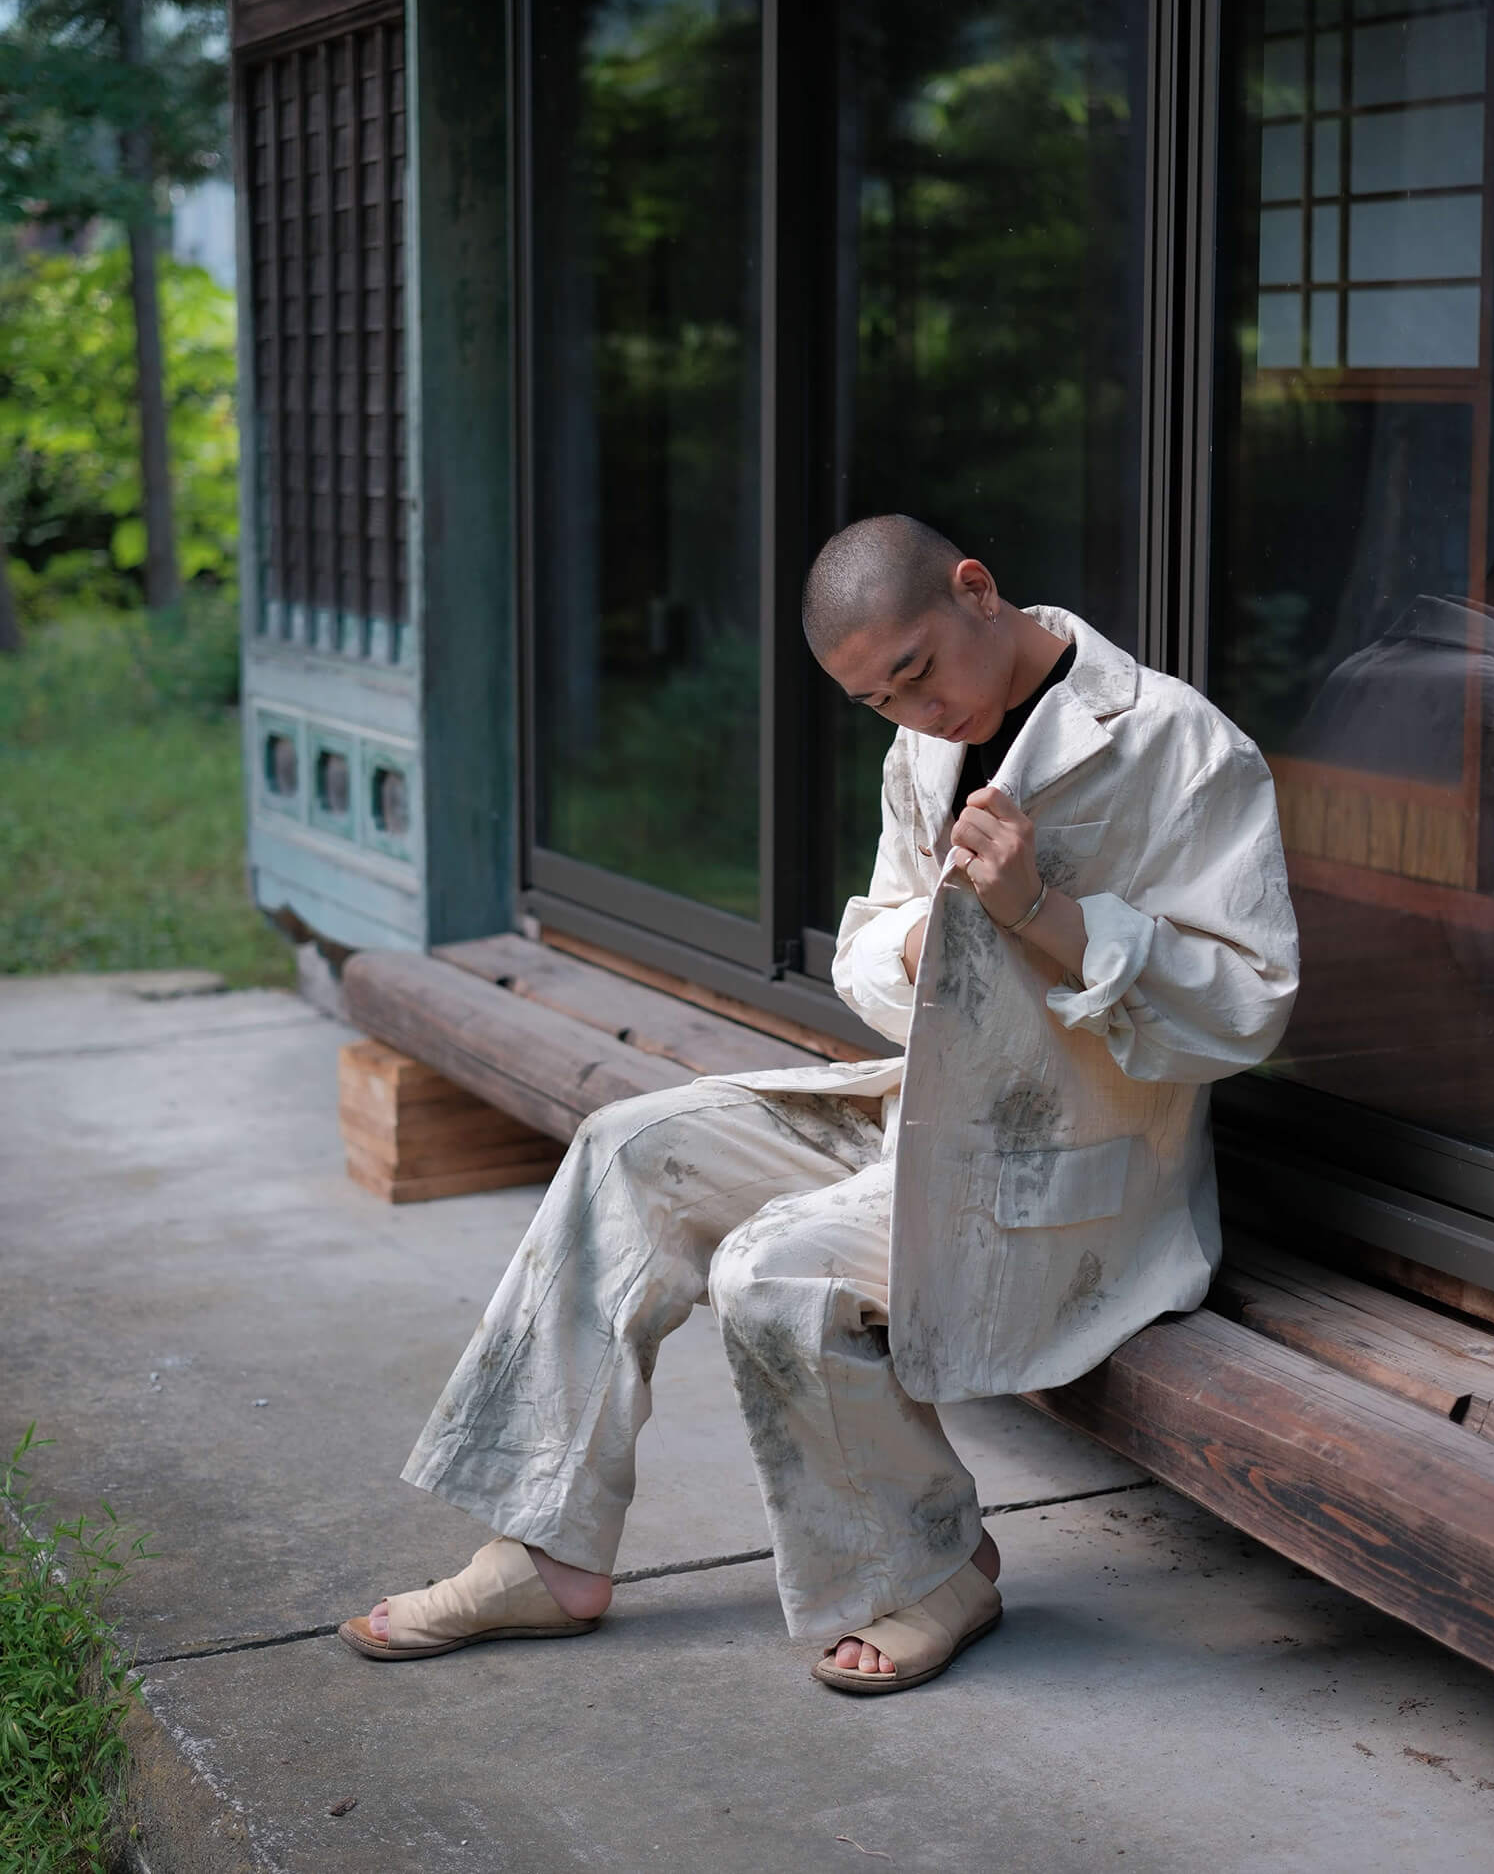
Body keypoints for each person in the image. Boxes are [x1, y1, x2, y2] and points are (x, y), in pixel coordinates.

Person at [339, 515, 1299, 1694]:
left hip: (1077, 1173)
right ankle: (546, 1544)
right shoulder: (924, 754)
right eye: (878, 703)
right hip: (918, 1117)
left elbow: (1250, 1012)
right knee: (628, 1146)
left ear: (978, 589)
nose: (917, 712)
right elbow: (876, 956)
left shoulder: (1177, 744)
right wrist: (921, 943)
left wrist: (1043, 913)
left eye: (918, 672)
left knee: (771, 1265)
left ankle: (934, 1565)